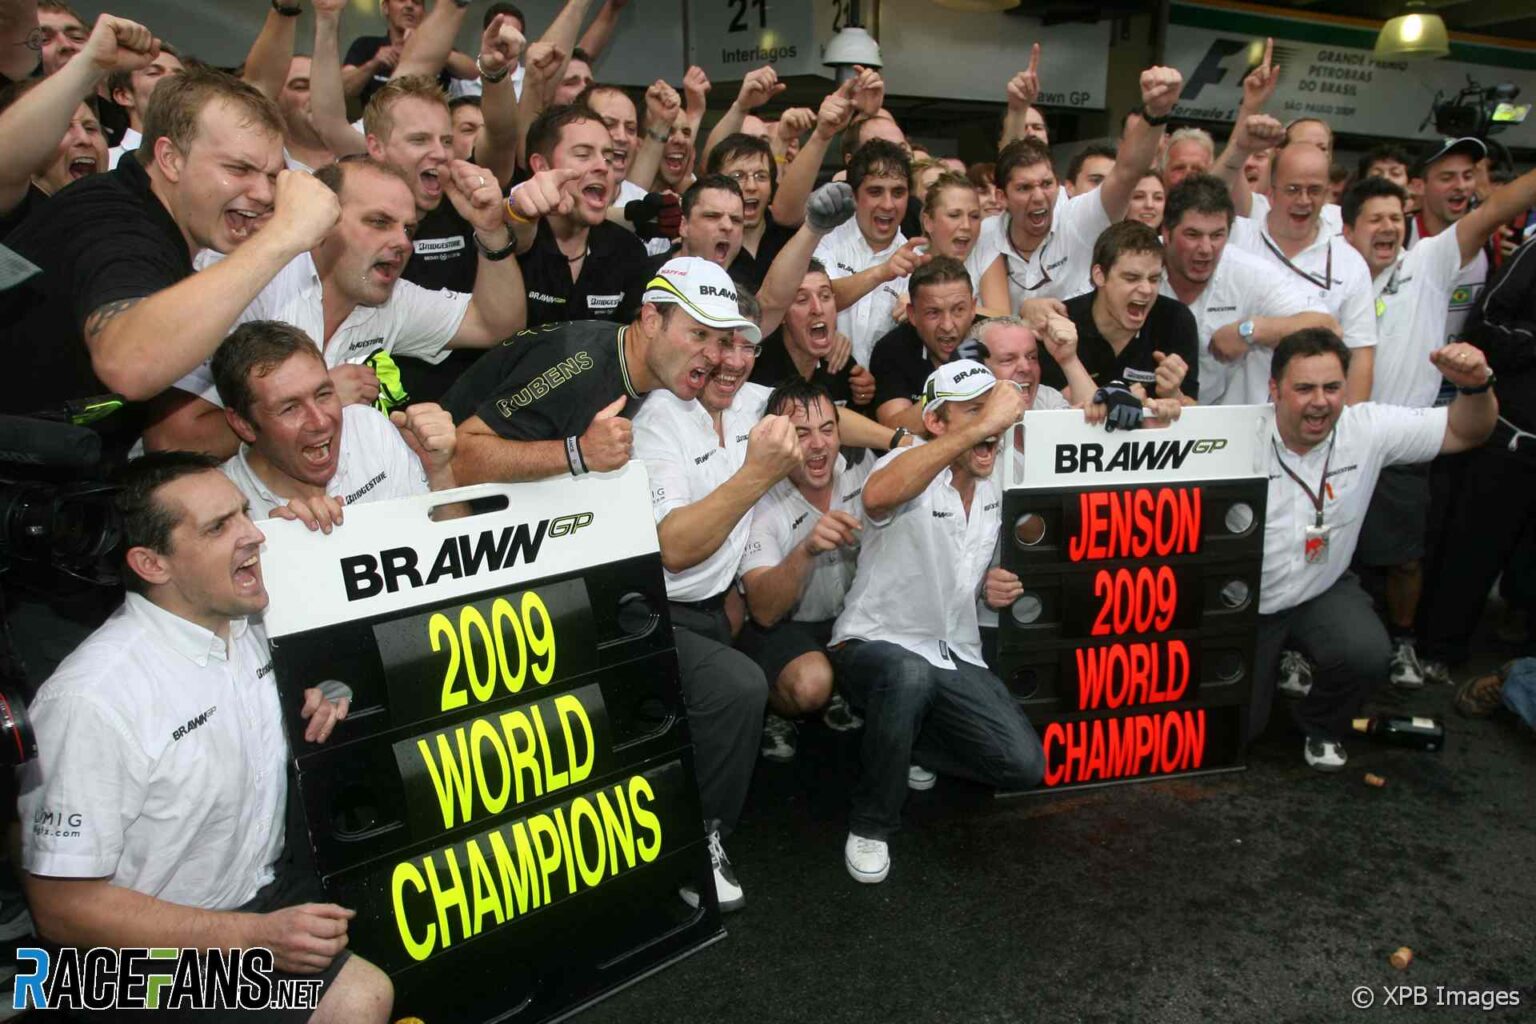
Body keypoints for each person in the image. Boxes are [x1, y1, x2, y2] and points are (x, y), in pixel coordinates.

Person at [17, 452, 394, 1022]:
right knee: (360, 996)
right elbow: (62, 912)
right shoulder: (91, 700)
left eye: (243, 512)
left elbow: (334, 668)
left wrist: (330, 688)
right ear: (152, 563)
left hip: (260, 899)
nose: (253, 535)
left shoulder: (250, 622)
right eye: (219, 527)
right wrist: (252, 939)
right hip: (119, 966)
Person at [0, 66, 340, 461]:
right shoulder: (116, 225)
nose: (264, 193)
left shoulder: (146, 218)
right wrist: (283, 236)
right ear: (170, 159)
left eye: (272, 175)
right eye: (239, 169)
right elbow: (129, 366)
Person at [831, 359, 1045, 883]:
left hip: (953, 650)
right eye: (975, 413)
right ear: (937, 423)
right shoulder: (902, 464)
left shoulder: (999, 482)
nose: (992, 429)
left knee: (1024, 766)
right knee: (909, 674)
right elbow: (879, 497)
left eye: (995, 416)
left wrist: (991, 588)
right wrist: (981, 424)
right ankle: (871, 825)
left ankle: (904, 736)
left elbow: (967, 576)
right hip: (873, 643)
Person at [1251, 329, 1495, 769]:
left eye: (1332, 387)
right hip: (1248, 600)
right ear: (1275, 390)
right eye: (1304, 388)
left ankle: (1321, 726)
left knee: (1366, 652)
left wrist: (1475, 386)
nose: (1319, 401)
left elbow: (1466, 430)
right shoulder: (1238, 433)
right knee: (1241, 729)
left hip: (1319, 585)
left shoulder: (1368, 428)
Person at [162, 155, 523, 453]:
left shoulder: (388, 296)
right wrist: (323, 399)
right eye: (378, 222)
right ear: (321, 223)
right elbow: (174, 439)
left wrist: (490, 230)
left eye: (408, 229)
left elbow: (497, 324)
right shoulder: (251, 282)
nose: (402, 242)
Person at [1340, 166, 1536, 687]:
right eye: (1373, 219)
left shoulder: (1426, 262)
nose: (1387, 228)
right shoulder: (1332, 278)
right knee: (1335, 558)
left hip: (1407, 442)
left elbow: (1493, 210)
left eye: (1394, 217)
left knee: (1405, 558)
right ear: (1347, 230)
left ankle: (1403, 641)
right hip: (1337, 444)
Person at [977, 64, 1183, 318]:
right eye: (1024, 188)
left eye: (1047, 183)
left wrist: (1156, 113)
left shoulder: (1080, 218)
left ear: (1060, 183)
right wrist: (1017, 111)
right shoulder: (986, 234)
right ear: (1001, 197)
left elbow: (1127, 172)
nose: (1039, 196)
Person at [740, 377, 872, 761]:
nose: (818, 444)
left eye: (827, 430)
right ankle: (774, 706)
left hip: (851, 618)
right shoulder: (758, 499)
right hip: (782, 626)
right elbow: (763, 610)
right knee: (810, 686)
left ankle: (838, 686)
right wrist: (808, 548)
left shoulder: (863, 467)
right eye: (802, 433)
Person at [211, 320, 460, 521]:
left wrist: (441, 475)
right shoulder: (223, 508)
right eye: (290, 408)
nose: (320, 422)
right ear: (243, 423)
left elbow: (451, 560)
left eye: (324, 394)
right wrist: (284, 552)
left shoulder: (368, 429)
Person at [1157, 174, 1336, 405]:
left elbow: (1329, 328)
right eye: (1193, 235)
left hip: (1231, 424)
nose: (1206, 248)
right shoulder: (1137, 263)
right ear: (1167, 233)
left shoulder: (1248, 272)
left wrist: (1251, 330)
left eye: (1217, 235)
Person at [1228, 140, 1377, 403]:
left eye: (1314, 190)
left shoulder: (1350, 264)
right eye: (1293, 189)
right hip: (1229, 419)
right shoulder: (1235, 238)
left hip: (1310, 428)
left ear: (1329, 193)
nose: (1304, 200)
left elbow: (1359, 358)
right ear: (1271, 192)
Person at [500, 103, 649, 328]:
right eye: (583, 154)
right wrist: (514, 209)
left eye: (608, 157)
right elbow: (505, 223)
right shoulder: (511, 239)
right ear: (541, 166)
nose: (603, 166)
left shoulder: (628, 252)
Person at [1056, 221, 1198, 403]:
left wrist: (1174, 394)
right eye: (1132, 278)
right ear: (1099, 276)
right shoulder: (1064, 324)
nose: (1147, 289)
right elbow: (1056, 410)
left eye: (1154, 279)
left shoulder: (1175, 320)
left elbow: (1193, 411)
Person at [814, 139, 921, 367]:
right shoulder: (825, 237)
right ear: (853, 195)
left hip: (882, 390)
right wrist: (882, 272)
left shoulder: (918, 261)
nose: (888, 204)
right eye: (875, 191)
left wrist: (918, 311)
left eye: (898, 192)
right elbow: (820, 299)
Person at [104, 41, 181, 168]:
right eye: (154, 73)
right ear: (123, 95)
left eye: (180, 76)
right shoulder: (106, 162)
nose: (171, 79)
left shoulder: (204, 162)